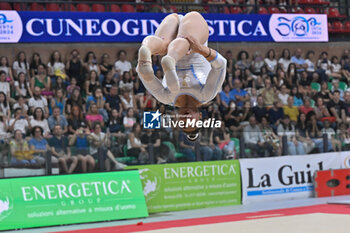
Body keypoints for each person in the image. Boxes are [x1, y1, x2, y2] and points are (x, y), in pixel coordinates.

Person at [136, 12, 226, 140]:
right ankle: (170, 59)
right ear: (200, 116)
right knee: (184, 42)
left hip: (171, 39)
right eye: (191, 122)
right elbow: (221, 65)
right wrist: (201, 49)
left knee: (162, 46)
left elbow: (143, 74)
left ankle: (147, 48)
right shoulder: (206, 94)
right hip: (194, 33)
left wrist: (144, 67)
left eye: (183, 123)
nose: (187, 118)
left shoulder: (166, 98)